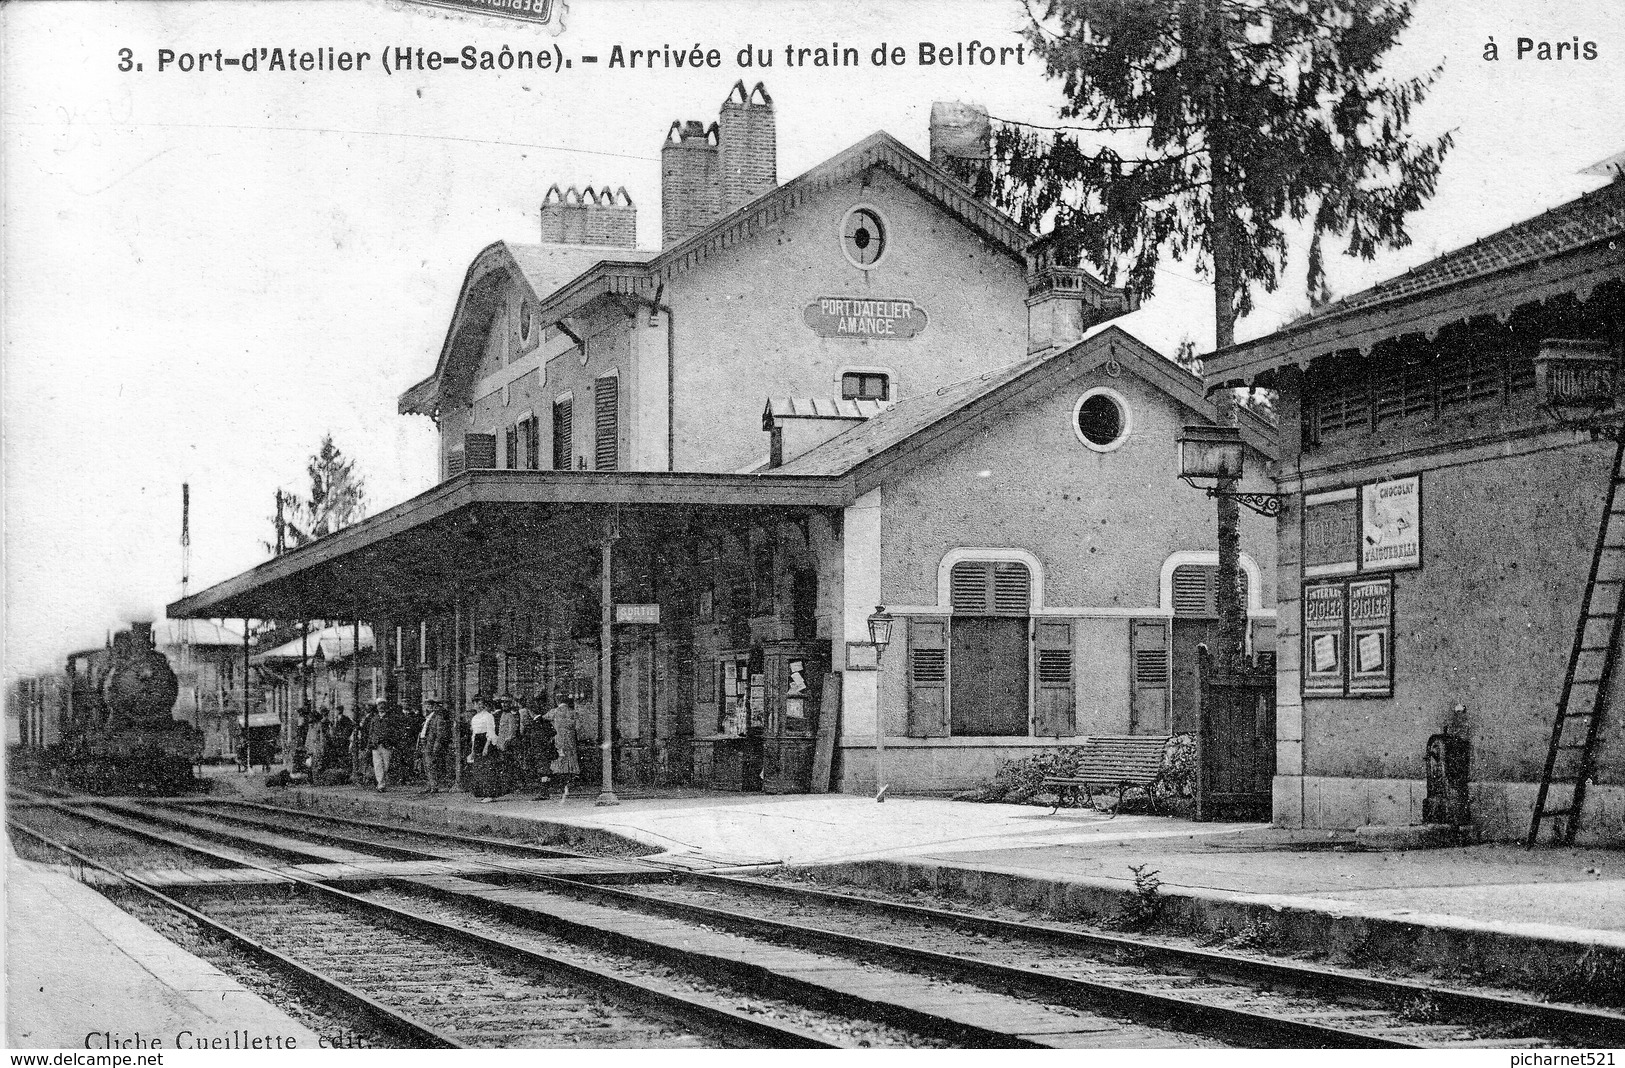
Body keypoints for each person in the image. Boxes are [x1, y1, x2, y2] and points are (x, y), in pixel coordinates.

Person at [467, 696, 508, 802]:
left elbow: (491, 732)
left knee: (488, 769)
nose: (478, 705)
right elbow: (474, 735)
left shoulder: (488, 716)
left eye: (480, 703)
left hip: (486, 741)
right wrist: (472, 750)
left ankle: (490, 794)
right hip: (477, 742)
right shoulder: (475, 718)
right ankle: (483, 793)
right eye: (476, 703)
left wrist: (486, 747)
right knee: (479, 769)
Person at [543, 695, 580, 802]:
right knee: (570, 758)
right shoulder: (573, 712)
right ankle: (570, 779)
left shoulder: (554, 711)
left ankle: (560, 781)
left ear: (557, 700)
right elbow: (578, 727)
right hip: (570, 739)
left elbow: (543, 718)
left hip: (558, 738)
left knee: (559, 757)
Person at [361, 700, 394, 792]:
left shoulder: (390, 718)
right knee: (377, 764)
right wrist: (369, 745)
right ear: (377, 707)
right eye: (379, 705)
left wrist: (392, 742)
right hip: (375, 745)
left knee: (386, 765)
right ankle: (381, 784)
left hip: (386, 745)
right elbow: (370, 733)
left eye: (383, 705)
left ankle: (383, 781)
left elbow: (394, 732)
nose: (381, 707)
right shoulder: (374, 718)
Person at [418, 701, 449, 794]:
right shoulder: (427, 717)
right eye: (426, 706)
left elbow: (439, 734)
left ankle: (434, 785)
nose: (428, 708)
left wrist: (436, 746)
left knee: (431, 765)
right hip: (424, 742)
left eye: (430, 706)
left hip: (430, 744)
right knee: (426, 765)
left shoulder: (438, 718)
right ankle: (430, 785)